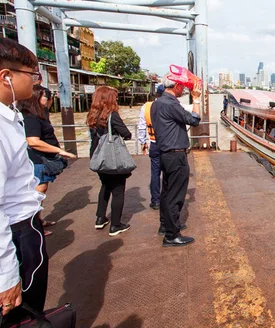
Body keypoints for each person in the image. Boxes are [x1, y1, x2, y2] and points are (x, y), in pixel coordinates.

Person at [0, 38, 48, 321]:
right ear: (6, 76)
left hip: (22, 227)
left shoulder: (12, 117)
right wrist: (6, 273)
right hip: (17, 232)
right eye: (31, 74)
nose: (34, 81)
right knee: (23, 314)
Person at [17, 85, 76, 236]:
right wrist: (59, 150)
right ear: (36, 98)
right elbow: (33, 141)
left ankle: (39, 221)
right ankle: (34, 226)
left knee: (41, 191)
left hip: (41, 159)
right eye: (45, 96)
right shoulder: (31, 118)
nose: (48, 99)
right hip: (36, 160)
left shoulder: (39, 115)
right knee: (38, 191)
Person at [151, 76, 202, 247]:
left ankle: (166, 226)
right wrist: (196, 100)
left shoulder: (157, 103)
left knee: (167, 192)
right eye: (183, 87)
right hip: (175, 155)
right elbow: (194, 120)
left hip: (165, 153)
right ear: (177, 86)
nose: (184, 90)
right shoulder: (171, 104)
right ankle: (172, 235)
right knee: (175, 195)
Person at [87, 86, 132, 236]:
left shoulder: (92, 115)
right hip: (111, 157)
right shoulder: (112, 115)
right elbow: (126, 133)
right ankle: (116, 225)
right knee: (118, 190)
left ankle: (100, 218)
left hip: (97, 157)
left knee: (105, 186)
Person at [138, 84, 165, 210]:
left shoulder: (146, 106)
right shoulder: (170, 105)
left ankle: (155, 201)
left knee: (155, 173)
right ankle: (167, 199)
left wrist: (143, 142)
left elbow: (142, 126)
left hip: (154, 143)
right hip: (168, 144)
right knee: (169, 173)